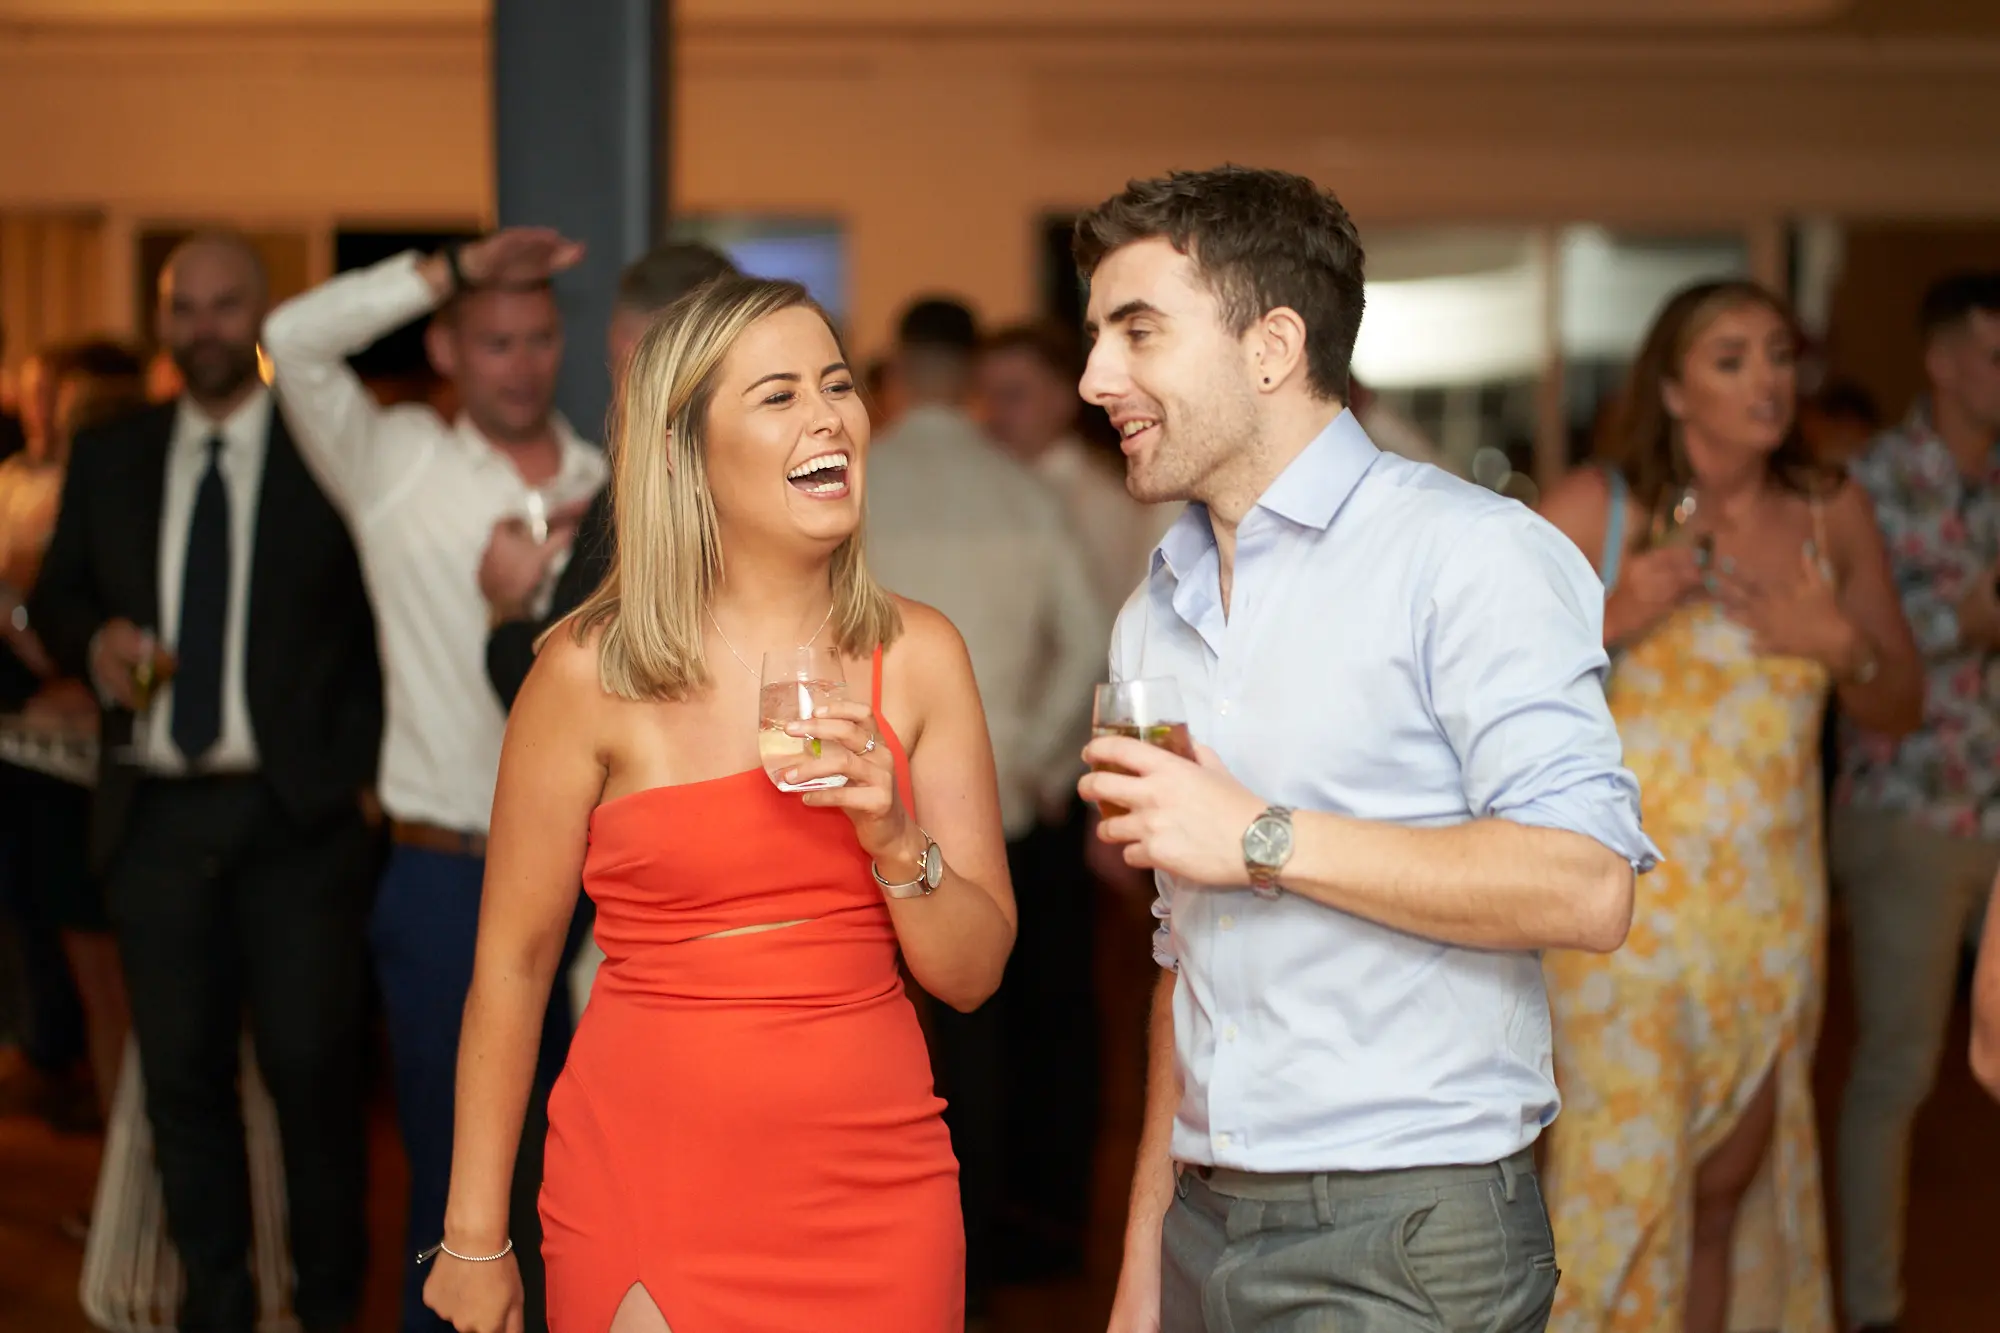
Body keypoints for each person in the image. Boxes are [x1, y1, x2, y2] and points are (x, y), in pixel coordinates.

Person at [1070, 165, 1656, 1333]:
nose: (1093, 378)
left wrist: (1260, 835)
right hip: (1202, 1225)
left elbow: (1585, 883)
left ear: (1271, 345)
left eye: (1136, 332)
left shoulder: (1468, 556)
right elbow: (1184, 956)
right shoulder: (1156, 608)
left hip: (1401, 1240)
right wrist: (1145, 1252)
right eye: (1095, 337)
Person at [420, 273, 1016, 1333]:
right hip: (649, 1182)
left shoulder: (918, 658)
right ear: (682, 451)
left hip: (879, 1189)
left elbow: (970, 976)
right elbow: (510, 968)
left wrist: (891, 835)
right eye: (778, 395)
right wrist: (474, 1233)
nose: (828, 414)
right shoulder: (584, 673)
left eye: (837, 383)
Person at [1538, 280, 1921, 1333]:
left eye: (1775, 354)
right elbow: (1474, 695)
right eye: (1728, 359)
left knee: (1723, 1187)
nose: (1766, 379)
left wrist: (1838, 644)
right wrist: (1612, 618)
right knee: (1614, 1191)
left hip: (1767, 914)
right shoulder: (1593, 509)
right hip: (1620, 918)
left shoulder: (1829, 511)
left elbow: (1901, 699)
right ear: (1668, 389)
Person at [30, 232, 384, 1333]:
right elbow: (56, 599)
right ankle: (216, 1311)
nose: (207, 328)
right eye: (187, 309)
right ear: (166, 320)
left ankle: (327, 1311)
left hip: (298, 822)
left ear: (263, 316)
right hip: (158, 822)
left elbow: (381, 624)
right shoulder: (115, 453)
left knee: (314, 1086)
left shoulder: (326, 453)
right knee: (182, 1092)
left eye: (228, 307)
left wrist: (355, 775)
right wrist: (92, 644)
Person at [262, 228, 607, 1333]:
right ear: (450, 349)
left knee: (594, 1175)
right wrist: (443, 269)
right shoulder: (392, 458)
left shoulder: (614, 484)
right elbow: (291, 339)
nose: (522, 362)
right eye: (494, 340)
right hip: (444, 875)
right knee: (457, 1180)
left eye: (540, 338)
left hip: (606, 883)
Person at [868, 295, 1109, 1307]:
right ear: (967, 378)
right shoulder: (1018, 489)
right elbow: (1091, 636)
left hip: (854, 798)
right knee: (984, 1039)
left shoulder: (851, 478)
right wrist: (1040, 759)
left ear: (889, 378)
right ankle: (963, 1259)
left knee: (870, 1027)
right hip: (994, 801)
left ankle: (875, 1251)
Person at [1832, 271, 2000, 1333]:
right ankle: (1873, 1306)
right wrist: (1962, 620)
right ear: (1940, 362)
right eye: (1992, 353)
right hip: (1911, 808)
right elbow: (1847, 658)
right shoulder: (1871, 482)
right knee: (1897, 1068)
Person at [485, 240, 738, 711]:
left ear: (631, 351)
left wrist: (507, 609)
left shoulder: (656, 498)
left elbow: (557, 703)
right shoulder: (747, 490)